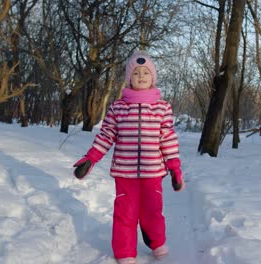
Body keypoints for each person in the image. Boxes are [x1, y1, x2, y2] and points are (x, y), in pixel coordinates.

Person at [73, 50, 185, 264]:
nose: (141, 76)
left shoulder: (162, 108)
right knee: (126, 213)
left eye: (146, 72)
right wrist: (91, 158)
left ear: (153, 77)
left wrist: (174, 168)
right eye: (136, 73)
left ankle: (157, 242)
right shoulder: (118, 108)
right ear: (128, 79)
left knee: (153, 211)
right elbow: (106, 135)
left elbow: (168, 138)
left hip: (153, 172)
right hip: (125, 173)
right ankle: (124, 252)